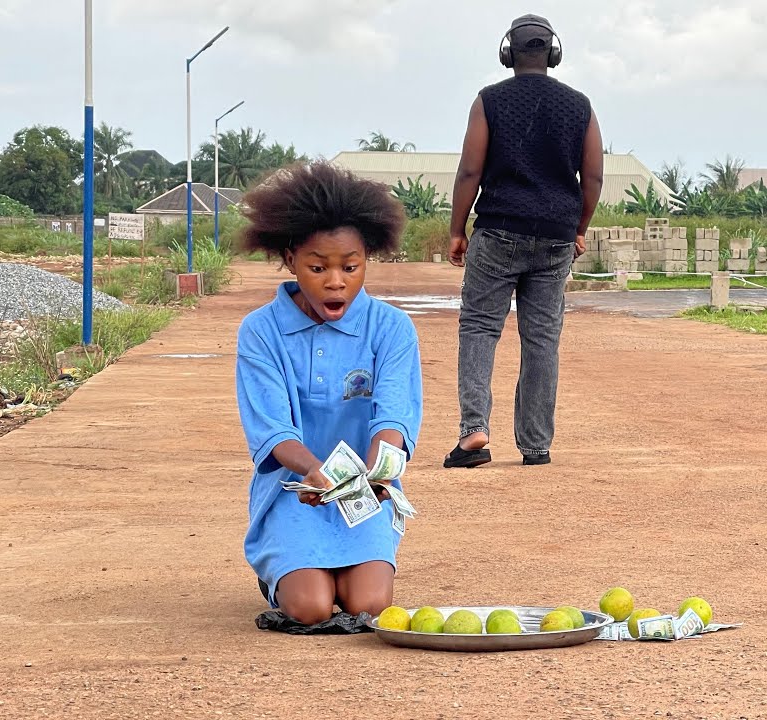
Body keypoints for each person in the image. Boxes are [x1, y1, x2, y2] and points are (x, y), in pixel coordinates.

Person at [235, 162, 422, 624]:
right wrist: (316, 474)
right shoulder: (261, 331)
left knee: (370, 606)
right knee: (311, 608)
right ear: (290, 258)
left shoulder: (392, 328)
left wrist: (378, 472)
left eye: (350, 267)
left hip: (366, 494)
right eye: (318, 267)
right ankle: (282, 569)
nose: (335, 281)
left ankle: (329, 566)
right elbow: (273, 430)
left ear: (366, 261)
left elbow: (392, 418)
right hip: (293, 490)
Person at [445, 13, 604, 469]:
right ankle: (536, 445)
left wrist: (458, 230)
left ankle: (475, 431)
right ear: (553, 54)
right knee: (541, 339)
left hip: (497, 231)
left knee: (479, 328)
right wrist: (579, 228)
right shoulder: (580, 105)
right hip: (555, 237)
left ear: (507, 53)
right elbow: (592, 175)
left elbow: (470, 171)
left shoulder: (489, 101)